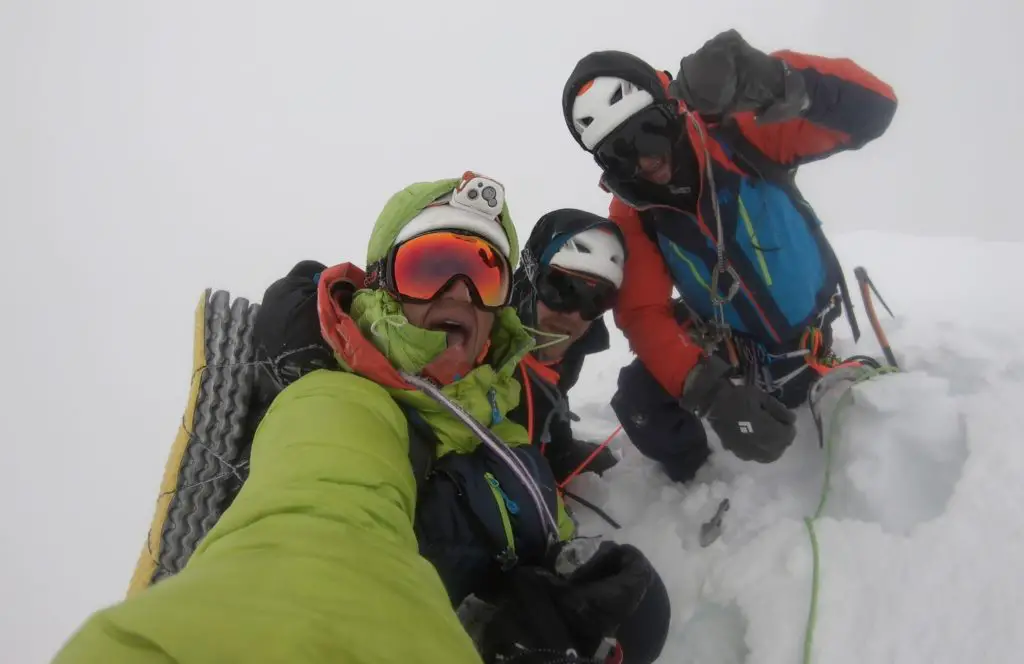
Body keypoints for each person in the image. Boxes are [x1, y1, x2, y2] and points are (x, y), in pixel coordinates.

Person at [50, 173, 660, 664]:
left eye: (480, 274)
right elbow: (315, 545)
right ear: (382, 287)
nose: (458, 296)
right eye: (427, 270)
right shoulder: (344, 403)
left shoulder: (491, 400)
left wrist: (553, 586)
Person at [560, 29, 897, 483]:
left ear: (670, 109)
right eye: (620, 155)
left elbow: (874, 109)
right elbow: (642, 312)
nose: (644, 161)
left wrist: (775, 81)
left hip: (813, 339)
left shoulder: (738, 133)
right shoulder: (634, 214)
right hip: (738, 352)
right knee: (638, 402)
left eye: (649, 132)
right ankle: (703, 482)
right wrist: (710, 393)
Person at [508, 208, 626, 483]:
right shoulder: (477, 341)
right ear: (531, 275)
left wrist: (557, 452)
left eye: (597, 300)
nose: (573, 315)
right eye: (562, 288)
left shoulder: (573, 345)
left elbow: (551, 400)